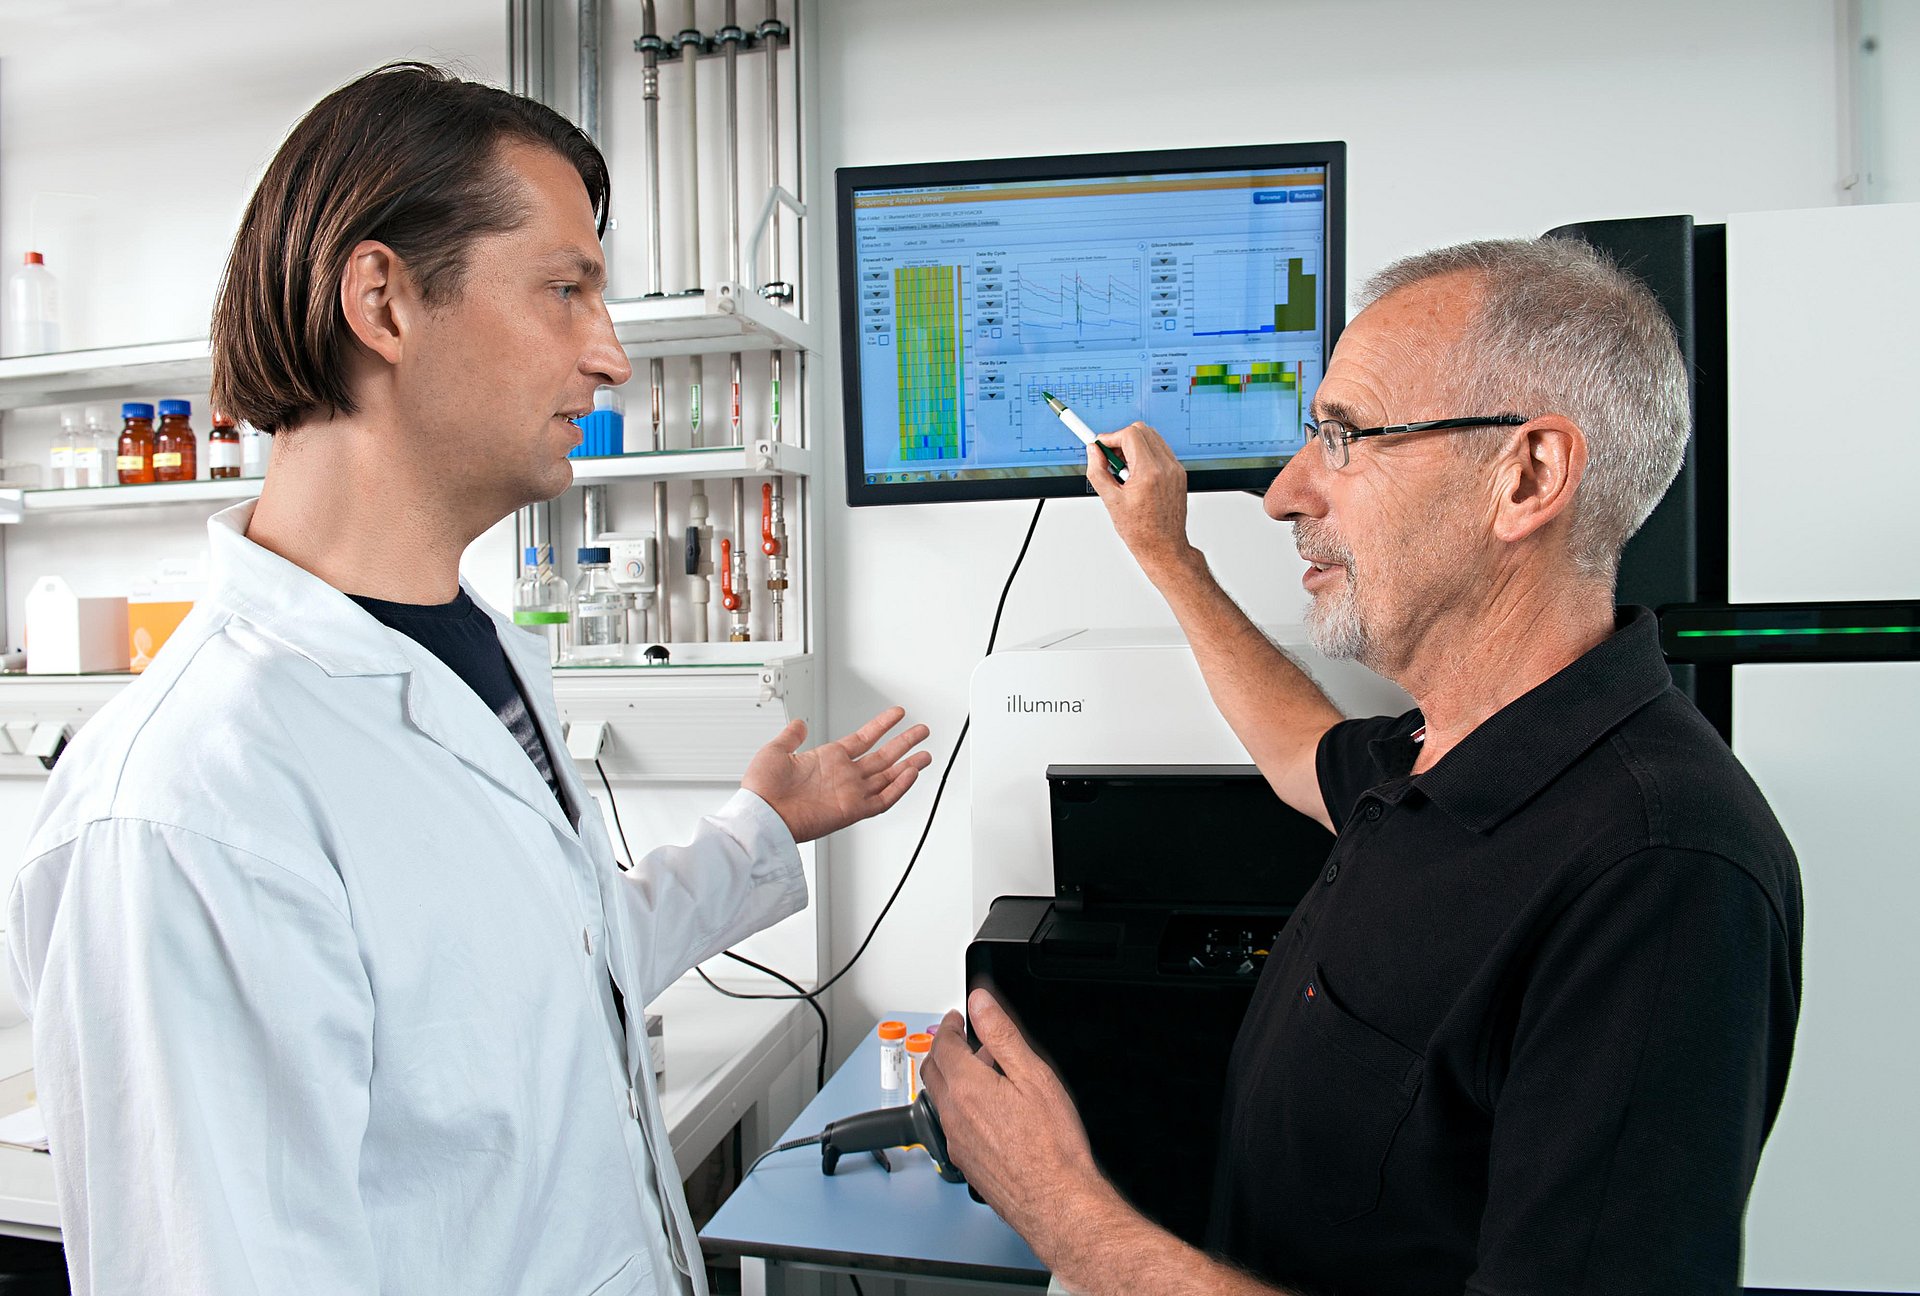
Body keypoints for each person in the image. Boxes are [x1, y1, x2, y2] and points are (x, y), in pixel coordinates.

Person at [5, 64, 930, 1296]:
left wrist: (764, 827)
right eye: (565, 291)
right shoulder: (189, 807)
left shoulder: (475, 653)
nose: (612, 358)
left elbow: (547, 965)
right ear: (382, 302)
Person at [923, 238, 1802, 1296]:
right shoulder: (1443, 751)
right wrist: (1164, 550)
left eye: (1344, 438)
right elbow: (1299, 747)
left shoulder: (1659, 874)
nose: (1288, 493)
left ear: (1525, 476)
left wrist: (1069, 1218)